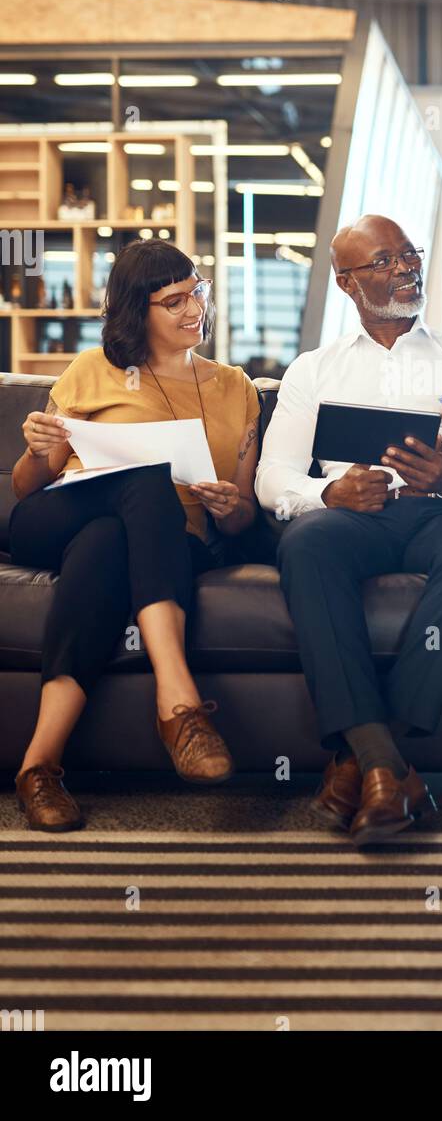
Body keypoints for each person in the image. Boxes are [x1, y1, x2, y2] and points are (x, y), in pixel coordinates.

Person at [256, 215, 442, 847]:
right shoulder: (313, 371)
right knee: (305, 540)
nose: (406, 268)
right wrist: (329, 492)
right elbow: (273, 477)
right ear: (346, 283)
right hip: (353, 518)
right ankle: (391, 768)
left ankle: (368, 761)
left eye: (410, 255)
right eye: (385, 261)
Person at [10, 239, 261, 831]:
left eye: (197, 290)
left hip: (168, 543)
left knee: (106, 547)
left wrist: (230, 506)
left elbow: (245, 513)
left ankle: (39, 768)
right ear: (135, 309)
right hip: (56, 517)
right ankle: (179, 705)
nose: (193, 307)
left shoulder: (236, 388)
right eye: (173, 301)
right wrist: (41, 450)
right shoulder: (91, 371)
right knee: (142, 482)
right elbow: (26, 488)